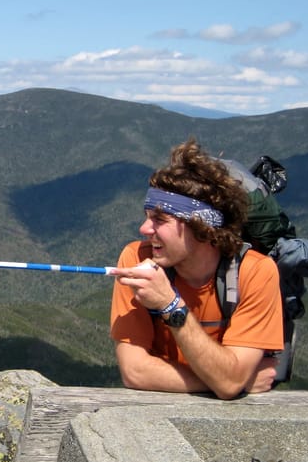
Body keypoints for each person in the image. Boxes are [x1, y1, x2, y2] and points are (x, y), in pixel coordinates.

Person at [109, 139, 284, 399]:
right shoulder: (137, 260)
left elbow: (229, 383)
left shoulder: (255, 272)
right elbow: (134, 372)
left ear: (201, 226)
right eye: (146, 216)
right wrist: (233, 380)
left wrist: (170, 306)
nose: (144, 229)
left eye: (159, 219)